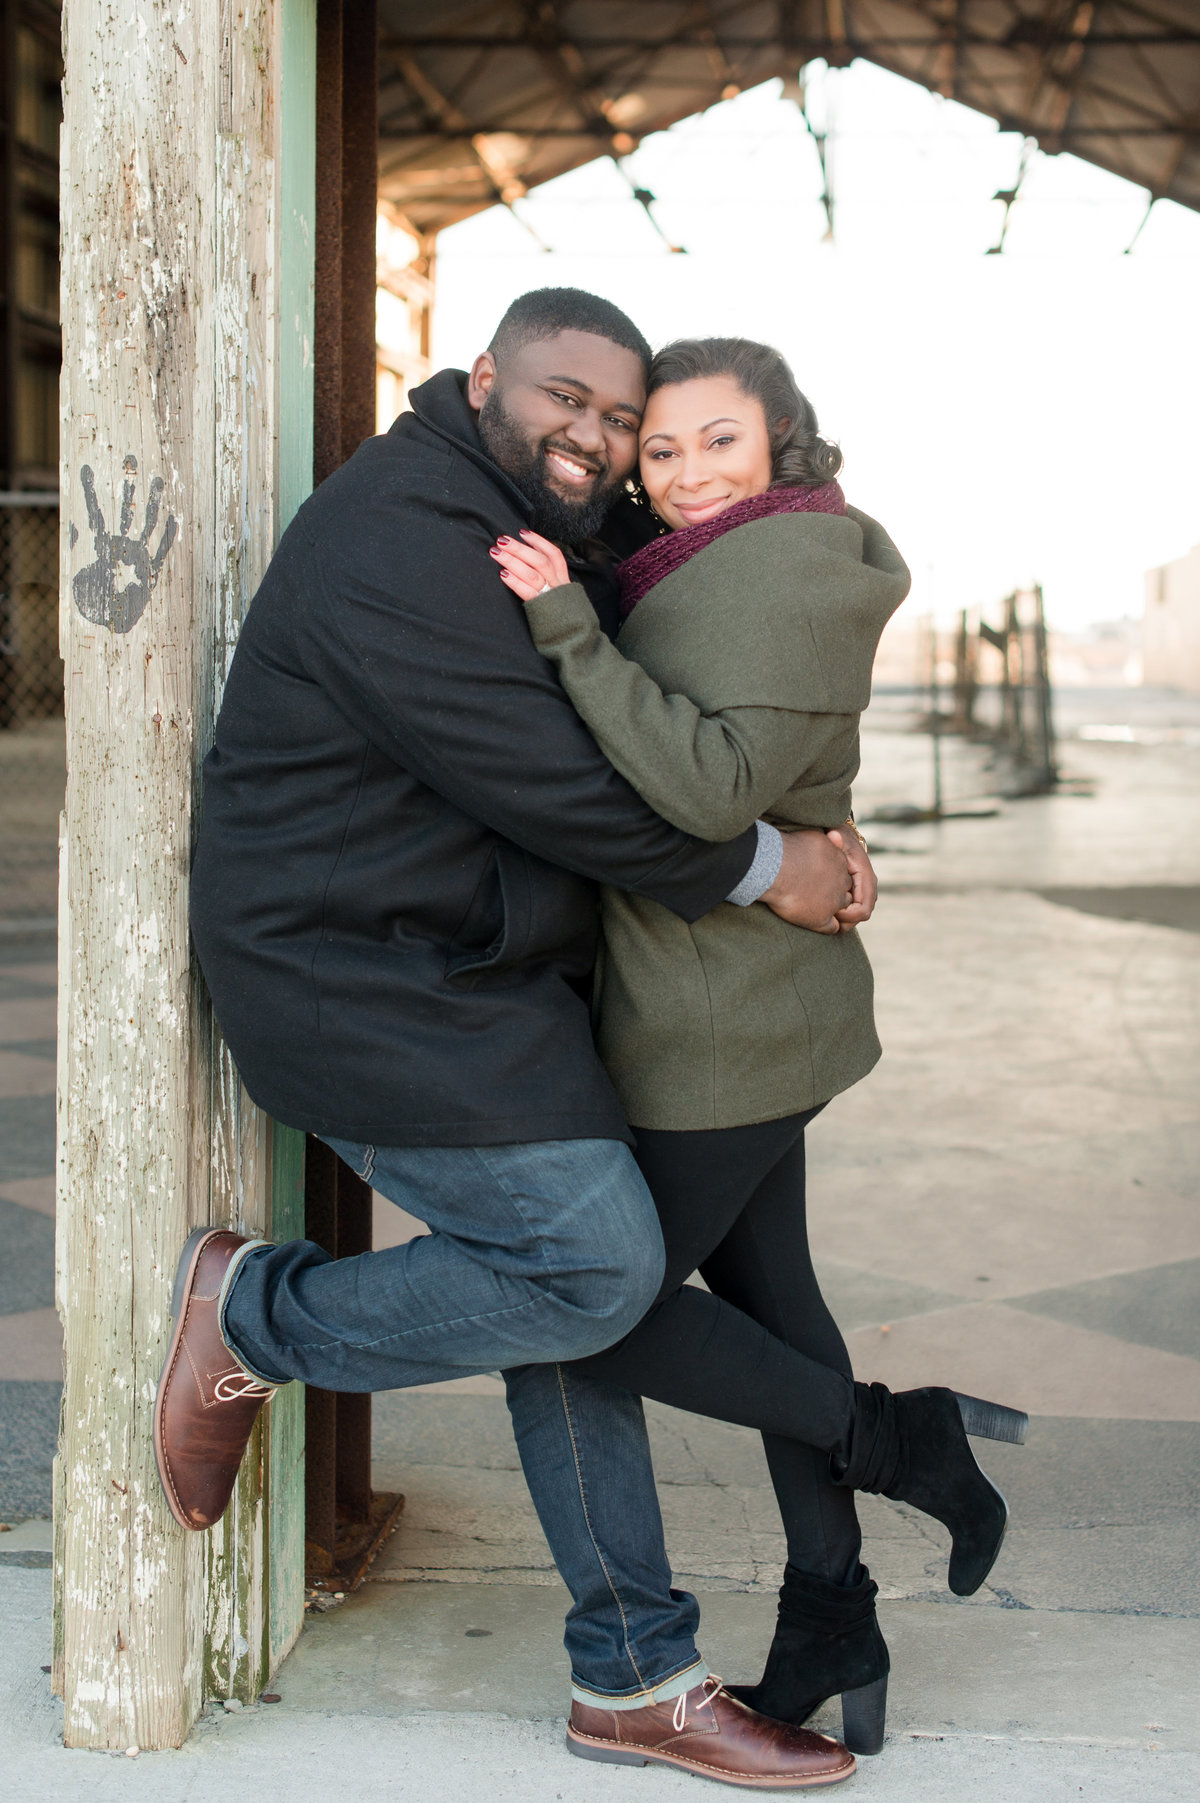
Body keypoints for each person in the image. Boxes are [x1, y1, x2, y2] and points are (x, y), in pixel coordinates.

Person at [156, 288, 863, 1789]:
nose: (597, 441)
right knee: (590, 1266)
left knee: (573, 1276)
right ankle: (257, 1320)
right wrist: (767, 869)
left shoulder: (531, 511)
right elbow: (560, 785)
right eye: (569, 402)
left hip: (484, 970)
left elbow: (690, 649)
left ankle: (634, 1681)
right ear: (484, 380)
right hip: (348, 972)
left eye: (620, 420)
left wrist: (813, 796)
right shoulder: (404, 538)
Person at [490, 337, 1027, 1757]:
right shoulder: (696, 562)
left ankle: (903, 1444)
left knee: (590, 1298)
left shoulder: (788, 569)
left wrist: (566, 634)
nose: (682, 477)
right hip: (727, 994)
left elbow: (709, 784)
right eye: (660, 451)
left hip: (718, 1020)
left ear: (782, 443)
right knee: (774, 1297)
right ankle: (833, 1613)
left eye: (717, 444)